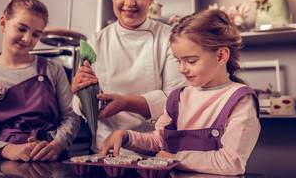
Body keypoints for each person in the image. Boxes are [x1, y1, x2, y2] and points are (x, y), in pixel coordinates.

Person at [100, 9, 261, 175]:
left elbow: (231, 161)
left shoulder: (240, 100)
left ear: (221, 56)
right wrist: (126, 136)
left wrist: (174, 158)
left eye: (191, 61)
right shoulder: (178, 98)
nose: (182, 69)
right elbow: (158, 142)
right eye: (179, 61)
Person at [71, 0, 188, 155]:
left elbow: (176, 100)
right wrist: (82, 98)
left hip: (154, 150)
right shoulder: (96, 40)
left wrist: (125, 103)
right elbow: (79, 103)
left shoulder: (169, 37)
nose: (129, 3)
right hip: (104, 150)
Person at [0, 0, 81, 162]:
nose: (27, 39)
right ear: (3, 23)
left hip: (50, 160)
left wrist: (56, 146)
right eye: (21, 29)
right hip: (2, 163)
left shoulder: (53, 69)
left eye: (36, 34)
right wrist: (8, 150)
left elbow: (71, 118)